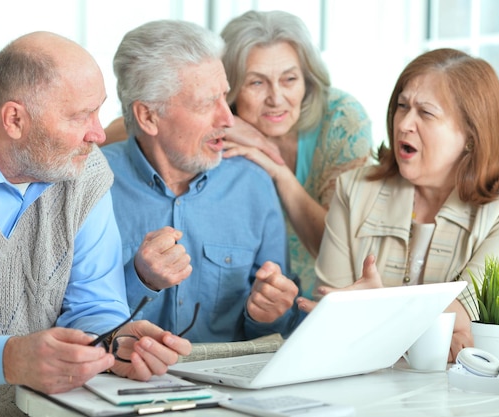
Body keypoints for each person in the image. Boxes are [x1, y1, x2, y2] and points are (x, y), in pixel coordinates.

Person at [0, 31, 191, 417]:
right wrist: (8, 359)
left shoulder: (84, 169)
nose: (97, 134)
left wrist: (114, 340)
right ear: (14, 119)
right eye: (80, 116)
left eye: (98, 111)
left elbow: (94, 302)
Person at [296, 48, 499, 362]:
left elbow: (466, 318)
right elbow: (330, 319)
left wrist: (373, 309)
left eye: (425, 113)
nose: (404, 124)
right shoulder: (354, 189)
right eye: (402, 106)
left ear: (471, 134)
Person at [103, 11, 373, 299]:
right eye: (256, 83)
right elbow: (130, 127)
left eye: (290, 79)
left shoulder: (340, 120)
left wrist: (280, 173)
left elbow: (343, 253)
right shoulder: (210, 117)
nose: (276, 98)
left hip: (323, 292)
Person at [102, 20, 301, 343]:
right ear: (148, 116)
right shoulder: (90, 187)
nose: (228, 120)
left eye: (225, 97)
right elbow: (67, 320)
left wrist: (269, 316)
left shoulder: (252, 185)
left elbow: (276, 333)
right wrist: (139, 280)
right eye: (207, 103)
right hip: (112, 384)